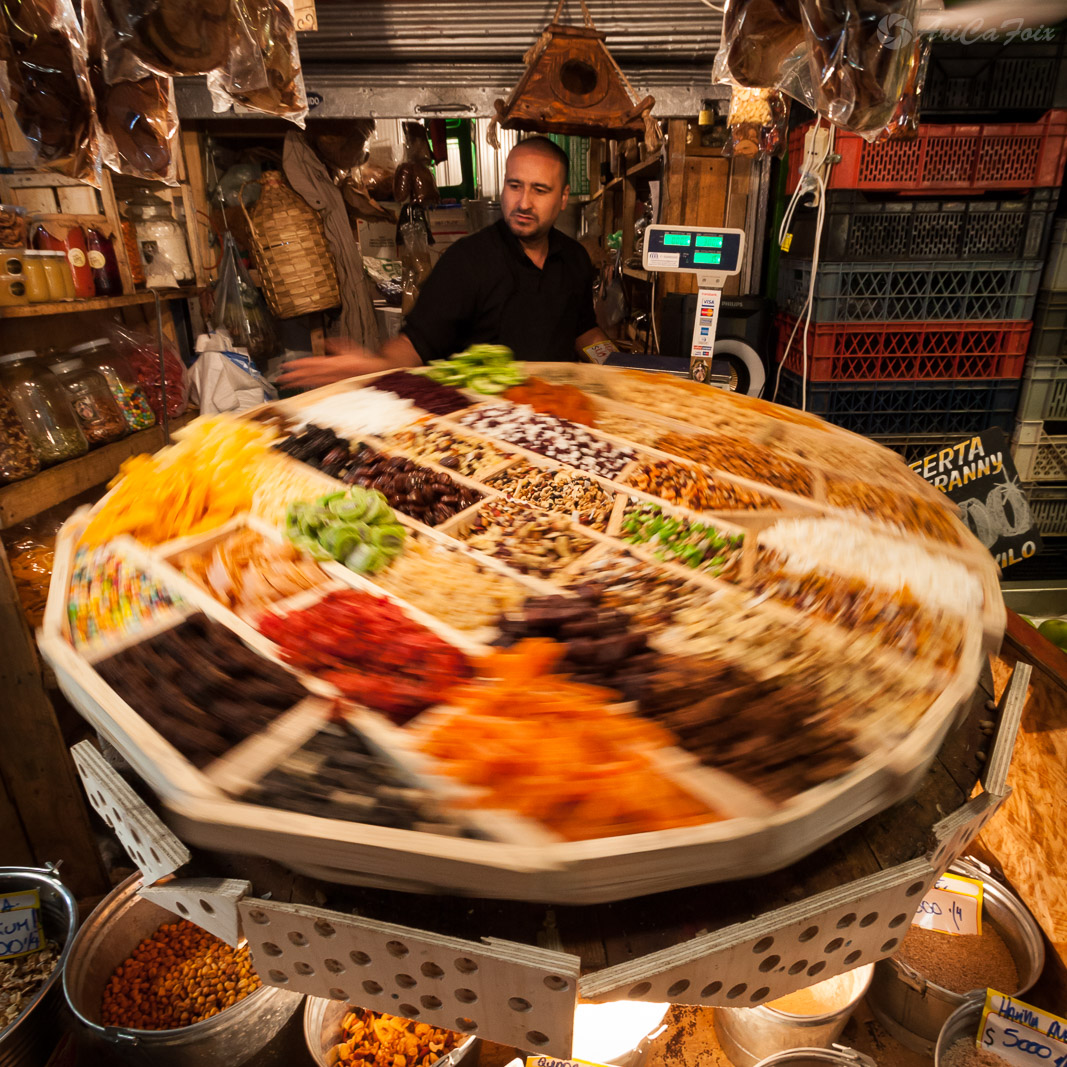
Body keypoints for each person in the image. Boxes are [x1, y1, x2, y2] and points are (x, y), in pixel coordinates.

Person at [277, 136, 615, 390]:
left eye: (540, 190)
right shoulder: (467, 262)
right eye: (515, 186)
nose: (523, 202)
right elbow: (417, 343)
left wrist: (619, 366)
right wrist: (375, 365)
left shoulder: (574, 259)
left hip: (558, 413)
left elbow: (584, 330)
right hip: (486, 427)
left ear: (563, 197)